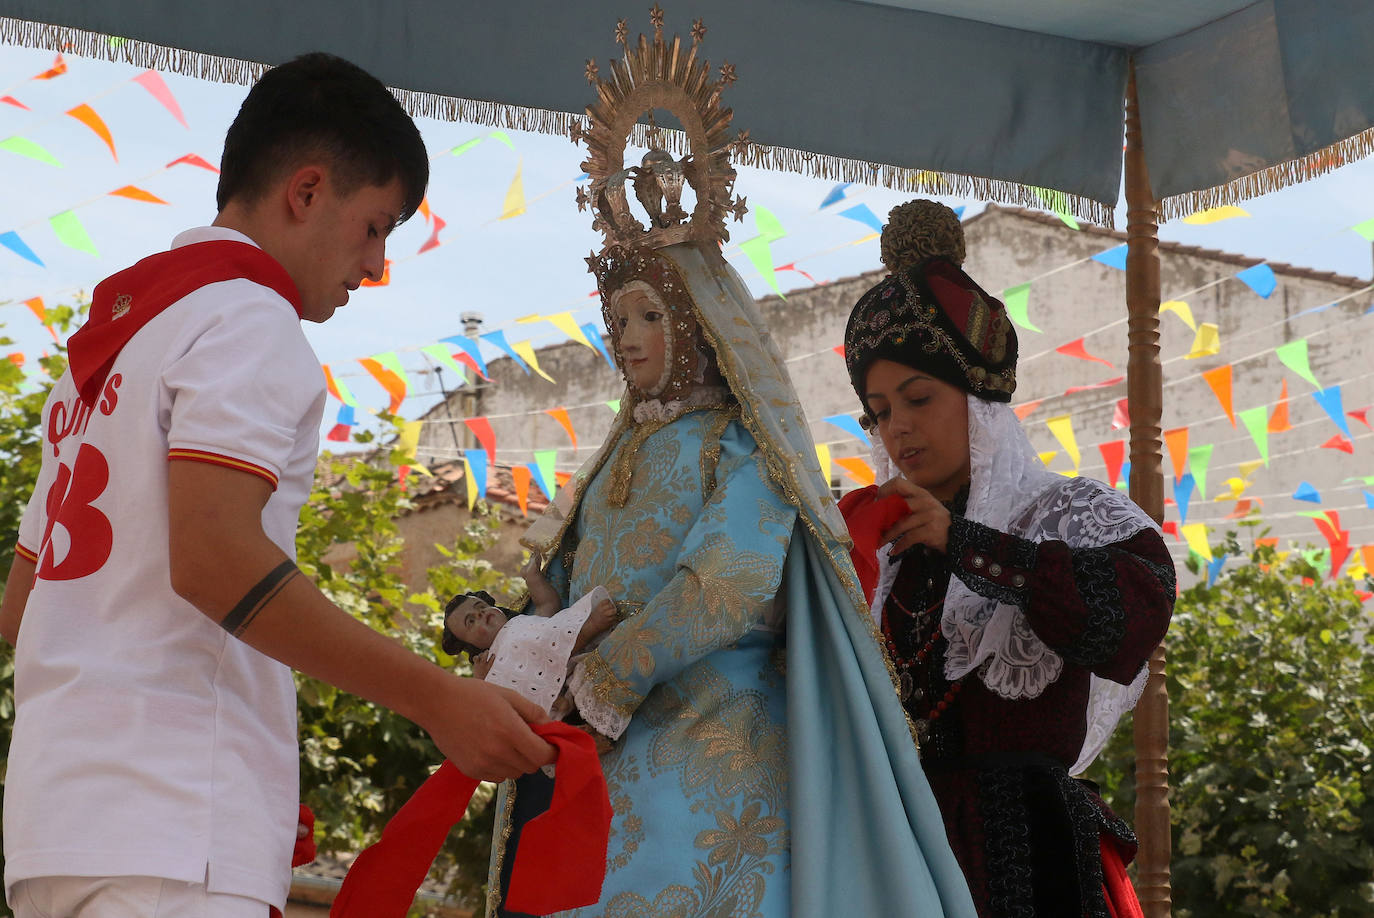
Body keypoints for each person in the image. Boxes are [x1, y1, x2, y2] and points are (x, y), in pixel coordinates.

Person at [0, 52, 553, 918]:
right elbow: (216, 560)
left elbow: (21, 609)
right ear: (305, 191)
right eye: (374, 226)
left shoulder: (103, 356)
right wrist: (440, 698)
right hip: (175, 821)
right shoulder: (247, 319)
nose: (374, 267)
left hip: (57, 826)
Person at [486, 19, 977, 918]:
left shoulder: (741, 446)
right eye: (616, 316)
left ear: (698, 328)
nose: (624, 338)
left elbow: (727, 584)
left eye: (644, 316)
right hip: (595, 746)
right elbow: (564, 584)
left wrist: (605, 673)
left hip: (709, 743)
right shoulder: (615, 455)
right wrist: (517, 635)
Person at [839, 199, 1175, 918]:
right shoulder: (881, 549)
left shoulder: (1061, 514)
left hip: (1031, 853)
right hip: (898, 857)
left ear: (978, 397)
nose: (898, 427)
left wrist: (967, 544)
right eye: (878, 410)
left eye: (918, 397)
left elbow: (1133, 614)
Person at [441, 555, 618, 716]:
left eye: (481, 607)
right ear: (471, 644)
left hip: (568, 671)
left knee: (551, 636)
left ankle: (591, 627)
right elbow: (489, 700)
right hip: (543, 709)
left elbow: (547, 605)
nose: (480, 614)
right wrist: (480, 677)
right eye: (471, 621)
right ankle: (557, 703)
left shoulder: (519, 625)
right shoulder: (490, 663)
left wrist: (532, 577)